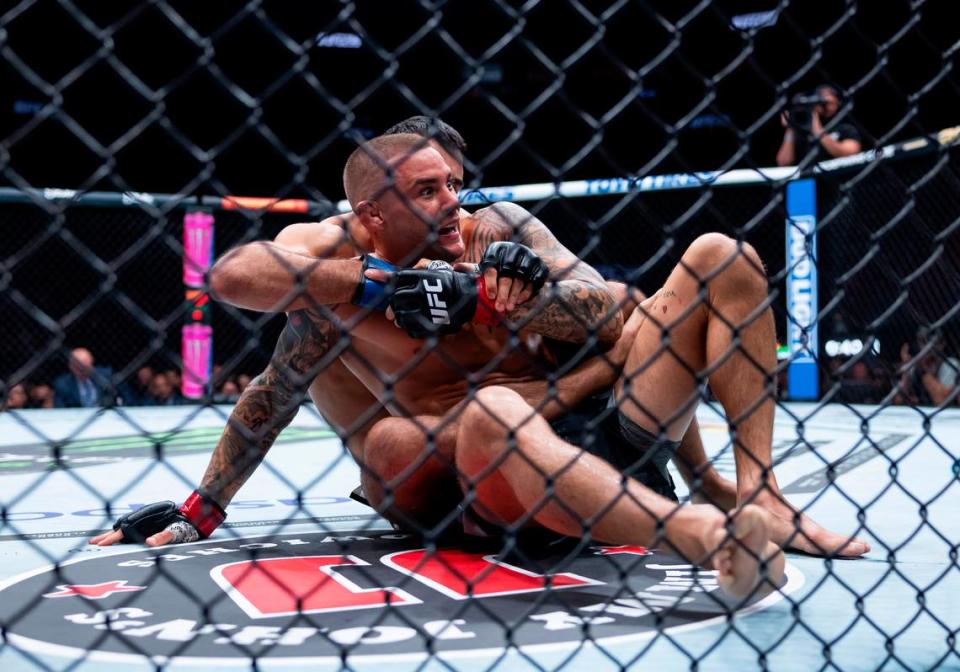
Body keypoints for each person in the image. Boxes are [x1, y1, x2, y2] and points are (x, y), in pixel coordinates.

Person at [90, 128, 858, 593]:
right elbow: (238, 286)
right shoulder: (336, 277)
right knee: (449, 425)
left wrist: (511, 305)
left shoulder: (499, 230)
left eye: (454, 183)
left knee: (720, 255)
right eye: (428, 191)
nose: (454, 201)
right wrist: (389, 289)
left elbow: (611, 306)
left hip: (601, 435)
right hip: (488, 485)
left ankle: (761, 493)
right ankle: (700, 533)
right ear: (371, 216)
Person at [776, 84, 863, 167]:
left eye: (828, 96)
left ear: (837, 102)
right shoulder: (803, 131)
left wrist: (817, 127)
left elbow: (850, 153)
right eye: (820, 96)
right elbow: (783, 162)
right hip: (807, 179)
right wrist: (790, 127)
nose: (823, 102)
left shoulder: (845, 128)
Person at [897, 327, 959, 407]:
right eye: (922, 341)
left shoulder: (950, 364)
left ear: (942, 344)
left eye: (930, 341)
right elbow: (898, 401)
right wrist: (906, 372)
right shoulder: (914, 365)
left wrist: (923, 371)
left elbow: (941, 401)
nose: (926, 346)